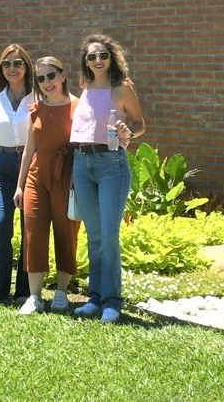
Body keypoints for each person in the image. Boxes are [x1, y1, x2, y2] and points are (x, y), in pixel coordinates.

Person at [69, 35, 144, 324]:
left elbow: (140, 124)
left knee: (109, 236)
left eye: (102, 55)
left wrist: (128, 132)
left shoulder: (122, 88)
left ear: (111, 57)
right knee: (94, 234)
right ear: (85, 62)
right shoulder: (85, 88)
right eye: (91, 57)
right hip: (82, 163)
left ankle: (112, 301)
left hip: (112, 164)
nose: (97, 60)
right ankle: (95, 297)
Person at [13, 56, 81, 315]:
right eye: (40, 79)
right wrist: (20, 186)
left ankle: (62, 293)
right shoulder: (36, 109)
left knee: (67, 232)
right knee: (34, 233)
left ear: (63, 75)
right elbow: (29, 150)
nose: (46, 82)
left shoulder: (78, 106)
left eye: (51, 76)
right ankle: (34, 296)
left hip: (67, 174)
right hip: (37, 175)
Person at [0, 44, 34, 305]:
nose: (12, 68)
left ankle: (23, 290)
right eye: (7, 64)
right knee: (0, 225)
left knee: (29, 228)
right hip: (1, 167)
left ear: (26, 67)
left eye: (18, 63)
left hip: (31, 166)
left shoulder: (37, 97)